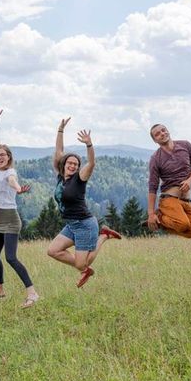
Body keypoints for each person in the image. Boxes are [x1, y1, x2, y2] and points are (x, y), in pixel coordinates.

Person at [46, 117, 122, 288]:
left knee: (81, 264)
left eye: (76, 164)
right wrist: (60, 130)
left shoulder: (79, 179)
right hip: (71, 225)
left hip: (85, 224)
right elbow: (59, 151)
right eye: (70, 163)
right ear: (64, 164)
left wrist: (89, 144)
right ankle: (86, 269)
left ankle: (104, 236)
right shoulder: (60, 177)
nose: (72, 166)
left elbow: (92, 163)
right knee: (53, 251)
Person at [0, 110, 40, 308]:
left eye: (3, 155)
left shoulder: (10, 172)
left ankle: (32, 294)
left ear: (9, 158)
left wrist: (18, 189)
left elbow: (13, 181)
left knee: (11, 257)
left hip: (11, 220)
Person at [147, 123, 191, 238]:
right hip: (169, 199)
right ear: (155, 141)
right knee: (183, 224)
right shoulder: (155, 158)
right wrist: (151, 213)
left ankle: (161, 221)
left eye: (163, 130)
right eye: (157, 134)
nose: (162, 134)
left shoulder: (185, 145)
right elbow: (153, 187)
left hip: (187, 200)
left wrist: (190, 180)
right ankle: (159, 216)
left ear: (168, 130)